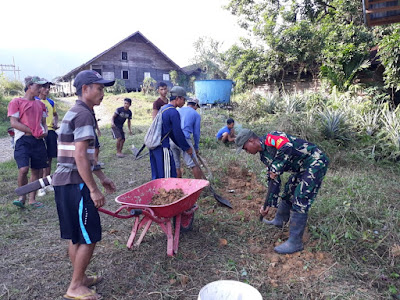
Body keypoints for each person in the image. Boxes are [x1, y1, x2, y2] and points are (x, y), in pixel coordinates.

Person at [52, 70, 116, 300]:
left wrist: (102, 177)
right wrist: (93, 189)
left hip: (65, 183)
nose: (102, 93)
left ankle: (81, 277)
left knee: (77, 236)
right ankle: (76, 285)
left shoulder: (78, 112)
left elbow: (85, 156)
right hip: (75, 184)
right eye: (99, 88)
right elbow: (80, 156)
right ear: (85, 89)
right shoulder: (84, 115)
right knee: (90, 236)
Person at [235, 129, 329, 254]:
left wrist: (276, 167)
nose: (246, 151)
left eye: (245, 148)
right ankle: (280, 220)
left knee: (301, 197)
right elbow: (274, 180)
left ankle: (295, 242)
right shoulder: (264, 156)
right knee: (288, 191)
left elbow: (286, 146)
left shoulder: (272, 138)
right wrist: (268, 204)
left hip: (315, 161)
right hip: (301, 167)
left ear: (251, 140)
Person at [8, 76, 48, 208]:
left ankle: (32, 199)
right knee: (23, 169)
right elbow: (14, 123)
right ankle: (22, 196)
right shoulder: (16, 102)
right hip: (22, 140)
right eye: (38, 86)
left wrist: (45, 131)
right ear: (29, 86)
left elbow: (43, 123)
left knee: (36, 170)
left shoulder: (41, 105)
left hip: (38, 141)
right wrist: (32, 131)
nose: (41, 89)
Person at [149, 86, 192, 179]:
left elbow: (171, 133)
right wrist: (187, 148)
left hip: (154, 146)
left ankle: (158, 191)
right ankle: (166, 192)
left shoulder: (164, 108)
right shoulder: (173, 112)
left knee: (158, 173)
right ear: (177, 98)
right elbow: (178, 133)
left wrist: (183, 146)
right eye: (184, 99)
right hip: (162, 146)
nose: (185, 102)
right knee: (167, 175)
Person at [35, 79, 58, 196]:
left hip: (51, 132)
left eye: (49, 88)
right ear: (39, 88)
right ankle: (40, 186)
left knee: (49, 159)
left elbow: (55, 115)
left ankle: (47, 183)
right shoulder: (35, 101)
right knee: (40, 160)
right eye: (45, 87)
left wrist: (55, 122)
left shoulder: (50, 102)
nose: (47, 90)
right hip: (40, 133)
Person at [170, 98, 202, 179]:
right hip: (184, 139)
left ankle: (178, 187)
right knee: (194, 164)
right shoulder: (196, 114)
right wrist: (196, 146)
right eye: (196, 107)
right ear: (195, 105)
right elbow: (196, 133)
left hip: (173, 139)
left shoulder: (177, 110)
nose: (196, 109)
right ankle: (199, 186)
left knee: (176, 165)